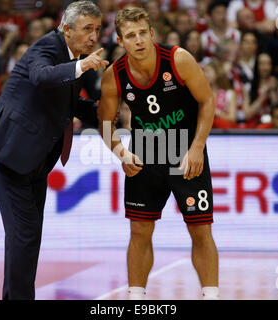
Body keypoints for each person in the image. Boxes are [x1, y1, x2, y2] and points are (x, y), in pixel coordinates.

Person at [0, 1, 108, 300]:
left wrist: (106, 112)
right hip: (9, 152)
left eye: (97, 29)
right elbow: (40, 76)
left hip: (33, 158)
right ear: (66, 28)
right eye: (87, 28)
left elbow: (72, 107)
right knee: (25, 233)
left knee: (26, 234)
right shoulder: (47, 47)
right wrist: (81, 66)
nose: (93, 36)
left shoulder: (74, 57)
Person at [98, 7, 219, 300]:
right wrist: (120, 152)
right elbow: (104, 123)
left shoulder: (179, 59)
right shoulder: (114, 75)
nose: (137, 40)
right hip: (145, 155)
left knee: (200, 229)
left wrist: (198, 147)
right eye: (130, 36)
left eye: (142, 33)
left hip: (185, 151)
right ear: (120, 40)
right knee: (139, 230)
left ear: (151, 33)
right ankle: (136, 297)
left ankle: (212, 296)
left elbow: (207, 101)